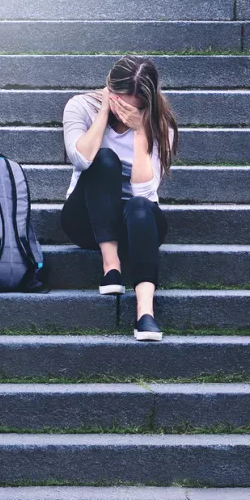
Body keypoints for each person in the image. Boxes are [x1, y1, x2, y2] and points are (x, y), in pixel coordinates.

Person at [60, 55, 179, 341]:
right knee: (103, 159)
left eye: (133, 106)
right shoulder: (80, 107)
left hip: (137, 223)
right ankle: (110, 267)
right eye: (118, 99)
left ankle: (145, 313)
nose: (123, 109)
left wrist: (140, 132)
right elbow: (80, 158)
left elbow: (145, 193)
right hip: (86, 219)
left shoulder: (161, 126)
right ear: (108, 88)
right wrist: (102, 113)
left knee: (139, 206)